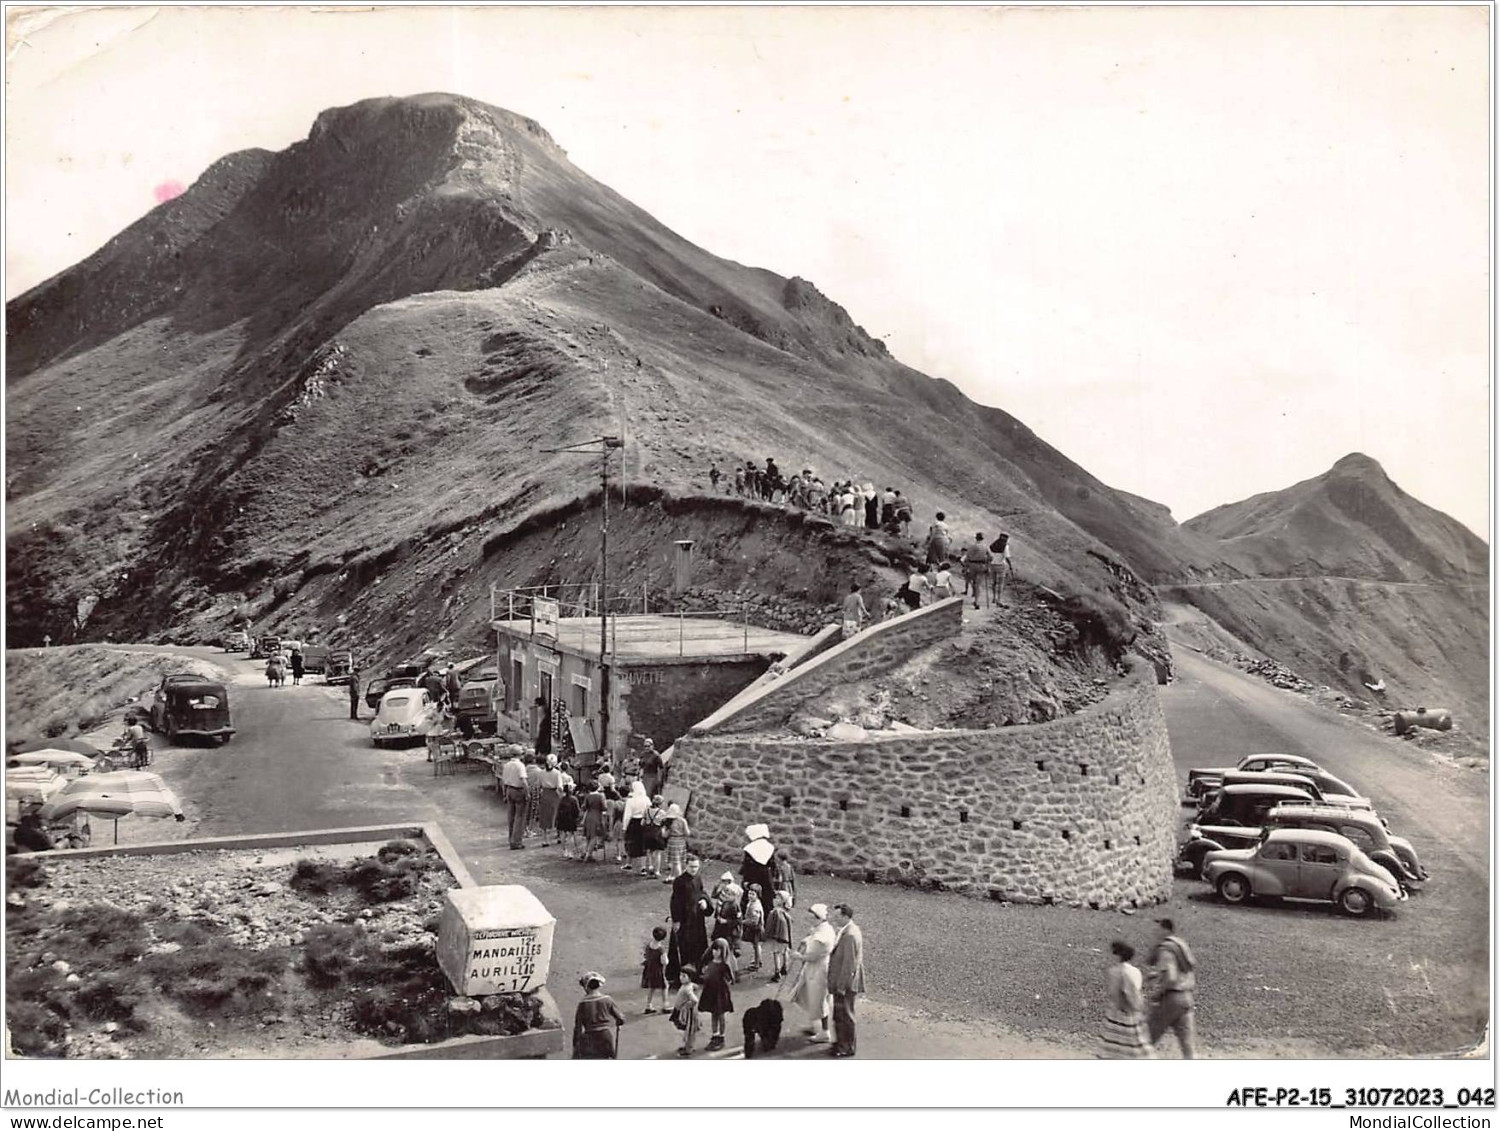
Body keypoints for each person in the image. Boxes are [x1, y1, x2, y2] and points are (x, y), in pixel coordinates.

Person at [1146, 918, 1198, 1059]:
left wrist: (1157, 993)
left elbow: (1171, 977)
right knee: (1188, 1047)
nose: (1154, 933)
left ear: (1165, 930)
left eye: (1157, 929)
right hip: (1186, 998)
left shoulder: (1165, 949)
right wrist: (1157, 974)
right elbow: (1182, 970)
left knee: (1146, 1040)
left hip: (1171, 999)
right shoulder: (1180, 945)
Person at [790, 903, 837, 1043]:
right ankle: (814, 1024)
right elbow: (812, 939)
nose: (809, 920)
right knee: (809, 995)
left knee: (819, 999)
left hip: (819, 970)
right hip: (814, 968)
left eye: (812, 918)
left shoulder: (822, 936)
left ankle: (824, 1032)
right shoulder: (822, 928)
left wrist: (798, 956)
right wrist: (806, 939)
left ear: (819, 918)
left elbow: (812, 955)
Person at [1099, 940, 1153, 1059]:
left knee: (1112, 1050)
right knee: (1137, 1046)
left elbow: (1113, 993)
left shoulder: (1114, 971)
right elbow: (1136, 993)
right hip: (1133, 1013)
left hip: (1117, 1014)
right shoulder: (1136, 971)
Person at [826, 904, 866, 1058]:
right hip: (843, 981)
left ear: (845, 917)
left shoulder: (850, 935)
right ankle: (841, 1042)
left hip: (845, 983)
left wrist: (841, 986)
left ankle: (846, 1047)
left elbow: (849, 964)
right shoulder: (847, 930)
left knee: (845, 1015)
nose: (835, 919)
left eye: (837, 916)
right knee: (839, 1014)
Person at [668, 855, 712, 989]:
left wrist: (705, 901)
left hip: (697, 920)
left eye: (696, 867)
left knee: (698, 947)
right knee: (684, 948)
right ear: (686, 865)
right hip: (685, 921)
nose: (694, 869)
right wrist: (676, 920)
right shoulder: (679, 881)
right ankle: (683, 976)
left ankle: (696, 973)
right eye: (691, 867)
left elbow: (702, 892)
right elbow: (675, 902)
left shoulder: (698, 878)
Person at [572, 973, 625, 1059]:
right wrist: (619, 1022)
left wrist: (576, 1044)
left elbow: (578, 1027)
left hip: (590, 1037)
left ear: (586, 987)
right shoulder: (607, 999)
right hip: (605, 1036)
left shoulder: (583, 1003)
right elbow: (621, 1018)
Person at [698, 937, 737, 1051]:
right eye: (714, 950)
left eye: (718, 950)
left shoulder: (725, 965)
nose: (715, 952)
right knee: (713, 1014)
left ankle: (722, 1036)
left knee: (720, 1014)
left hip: (720, 993)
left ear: (723, 951)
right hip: (710, 992)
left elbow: (730, 979)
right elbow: (705, 974)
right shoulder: (710, 962)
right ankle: (715, 1034)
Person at [500, 749, 529, 850]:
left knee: (511, 816)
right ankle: (516, 841)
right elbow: (523, 780)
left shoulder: (506, 765)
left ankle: (510, 838)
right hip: (518, 790)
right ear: (519, 755)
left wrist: (504, 793)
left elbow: (503, 781)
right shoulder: (520, 765)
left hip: (509, 789)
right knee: (519, 817)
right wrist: (527, 793)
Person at [621, 780, 651, 874]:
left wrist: (624, 827)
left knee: (631, 842)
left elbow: (627, 815)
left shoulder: (631, 801)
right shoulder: (646, 799)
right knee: (642, 844)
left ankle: (629, 863)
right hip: (644, 822)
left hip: (634, 822)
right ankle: (643, 867)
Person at [670, 974, 702, 1057]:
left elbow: (695, 1000)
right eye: (680, 975)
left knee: (690, 1030)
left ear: (690, 978)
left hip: (689, 1013)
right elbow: (696, 987)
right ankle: (687, 1046)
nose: (681, 977)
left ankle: (688, 1049)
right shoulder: (688, 986)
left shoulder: (687, 988)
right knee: (689, 1030)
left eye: (684, 976)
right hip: (687, 1012)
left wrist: (686, 1006)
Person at [765, 890, 793, 981]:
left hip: (777, 936)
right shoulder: (786, 912)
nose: (775, 899)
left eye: (777, 898)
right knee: (785, 951)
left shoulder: (775, 912)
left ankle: (777, 972)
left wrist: (766, 934)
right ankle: (785, 967)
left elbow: (769, 925)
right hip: (785, 936)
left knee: (776, 953)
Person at [642, 925, 670, 1013]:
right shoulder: (661, 950)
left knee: (651, 987)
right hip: (659, 971)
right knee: (665, 987)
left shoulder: (649, 945)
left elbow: (645, 955)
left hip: (649, 969)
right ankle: (665, 1005)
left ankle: (648, 1005)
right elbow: (665, 962)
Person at [962, 533, 993, 610]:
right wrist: (987, 563)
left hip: (972, 565)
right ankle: (976, 601)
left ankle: (973, 593)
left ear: (976, 538)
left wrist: (966, 567)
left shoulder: (972, 546)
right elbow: (991, 557)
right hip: (981, 566)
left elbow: (967, 557)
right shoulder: (985, 547)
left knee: (973, 581)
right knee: (978, 584)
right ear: (982, 539)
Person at [537, 755, 563, 844]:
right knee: (557, 815)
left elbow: (539, 784)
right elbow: (559, 786)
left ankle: (545, 839)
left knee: (544, 816)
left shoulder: (541, 772)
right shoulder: (557, 773)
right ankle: (559, 836)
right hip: (554, 794)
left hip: (545, 794)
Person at [580, 779, 608, 862]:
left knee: (588, 836)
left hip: (588, 815)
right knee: (594, 836)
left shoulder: (588, 796)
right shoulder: (600, 796)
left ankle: (586, 852)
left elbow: (584, 807)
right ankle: (588, 854)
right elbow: (604, 807)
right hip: (597, 816)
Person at [662, 801, 690, 881]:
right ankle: (672, 876)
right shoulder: (683, 821)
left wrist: (663, 830)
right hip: (681, 841)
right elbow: (687, 833)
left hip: (672, 841)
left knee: (675, 862)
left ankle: (680, 879)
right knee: (678, 861)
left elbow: (665, 835)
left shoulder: (669, 821)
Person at [742, 885, 766, 972]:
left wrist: (743, 922)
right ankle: (758, 960)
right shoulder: (753, 902)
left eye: (753, 894)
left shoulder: (755, 906)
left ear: (757, 895)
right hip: (755, 928)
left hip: (755, 929)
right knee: (755, 945)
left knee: (756, 945)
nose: (750, 896)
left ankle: (757, 963)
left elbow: (754, 921)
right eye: (749, 893)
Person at [643, 793, 668, 878]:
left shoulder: (646, 810)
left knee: (649, 851)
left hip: (647, 832)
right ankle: (656, 871)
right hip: (657, 833)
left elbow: (642, 822)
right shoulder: (662, 813)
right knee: (657, 853)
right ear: (661, 803)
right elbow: (664, 824)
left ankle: (649, 867)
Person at [556, 782, 582, 858]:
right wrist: (577, 818)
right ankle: (570, 852)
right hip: (571, 818)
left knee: (563, 835)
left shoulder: (562, 799)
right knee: (570, 835)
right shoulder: (574, 799)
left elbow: (558, 809)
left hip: (562, 818)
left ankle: (564, 851)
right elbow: (577, 810)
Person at [990, 532, 1014, 604]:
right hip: (1001, 565)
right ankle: (999, 599)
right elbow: (1007, 557)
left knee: (993, 583)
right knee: (1000, 583)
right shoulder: (1005, 546)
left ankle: (993, 598)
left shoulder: (993, 545)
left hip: (993, 565)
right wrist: (1010, 565)